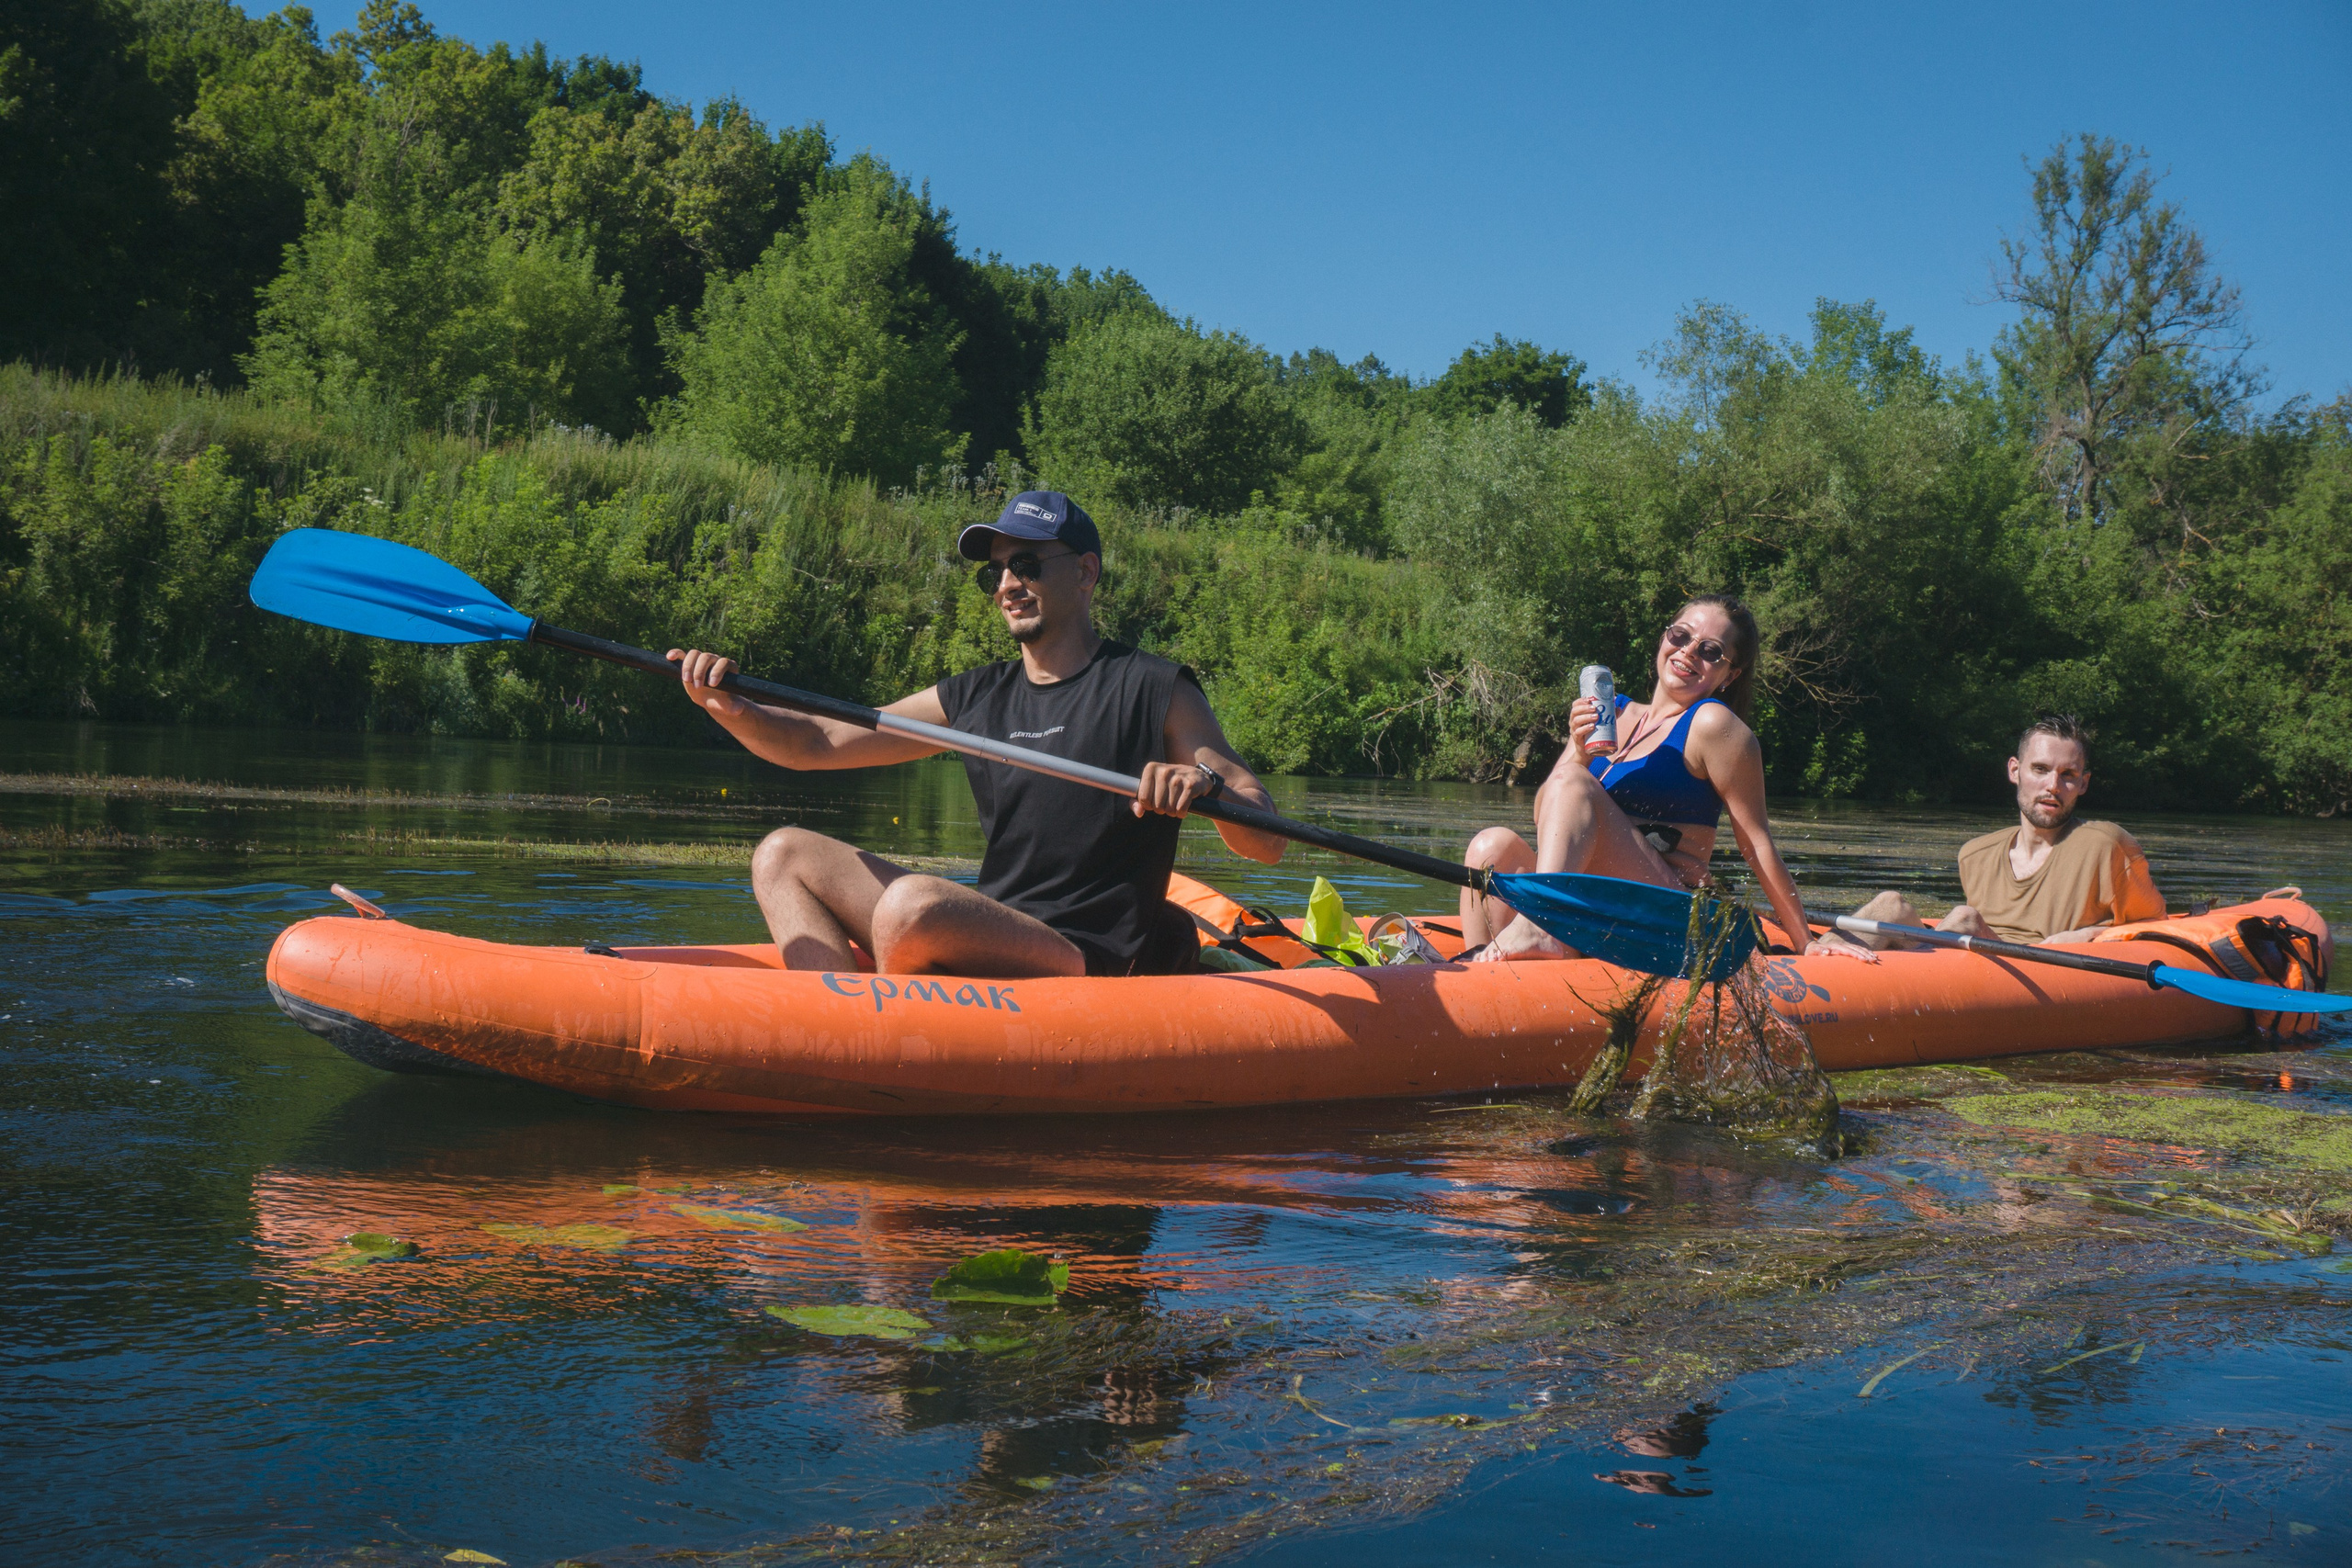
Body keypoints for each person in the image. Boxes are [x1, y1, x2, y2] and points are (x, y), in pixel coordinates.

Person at [667, 491, 1285, 978]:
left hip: (1088, 954)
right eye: (996, 573)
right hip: (1001, 928)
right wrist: (729, 706)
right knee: (782, 854)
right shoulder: (976, 696)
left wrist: (1205, 784)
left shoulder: (1154, 687)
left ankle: (889, 1041)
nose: (1008, 585)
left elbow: (1266, 839)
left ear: (1085, 572)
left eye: (1027, 565)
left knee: (914, 904)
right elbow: (816, 741)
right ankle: (834, 1029)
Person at [1459, 593, 1858, 963]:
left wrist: (1805, 941)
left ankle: (1542, 927)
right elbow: (1543, 813)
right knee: (1491, 846)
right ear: (1665, 637)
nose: (1688, 651)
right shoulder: (1612, 712)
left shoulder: (1712, 724)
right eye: (1680, 635)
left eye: (1710, 651)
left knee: (1574, 782)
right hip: (1589, 902)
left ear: (1730, 674)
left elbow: (1756, 843)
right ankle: (1480, 967)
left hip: (1664, 912)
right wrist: (1579, 752)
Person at [1838, 716, 2165, 949]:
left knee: (1965, 918)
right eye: (2040, 769)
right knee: (1889, 904)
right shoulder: (1975, 854)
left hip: (2045, 973)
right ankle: (1817, 960)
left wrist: (2091, 935)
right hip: (1973, 966)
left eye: (2068, 774)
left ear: (2084, 783)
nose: (2053, 786)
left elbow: (2159, 926)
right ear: (2015, 770)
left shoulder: (2107, 844)